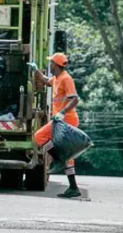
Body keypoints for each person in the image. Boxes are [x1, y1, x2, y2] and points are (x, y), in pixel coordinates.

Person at [27, 53, 80, 198]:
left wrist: (62, 112)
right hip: (61, 120)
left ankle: (57, 161)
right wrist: (36, 70)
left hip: (66, 120)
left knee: (39, 136)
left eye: (51, 63)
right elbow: (45, 80)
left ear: (56, 65)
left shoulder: (66, 79)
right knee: (68, 156)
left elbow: (75, 99)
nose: (49, 65)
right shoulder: (56, 78)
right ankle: (73, 187)